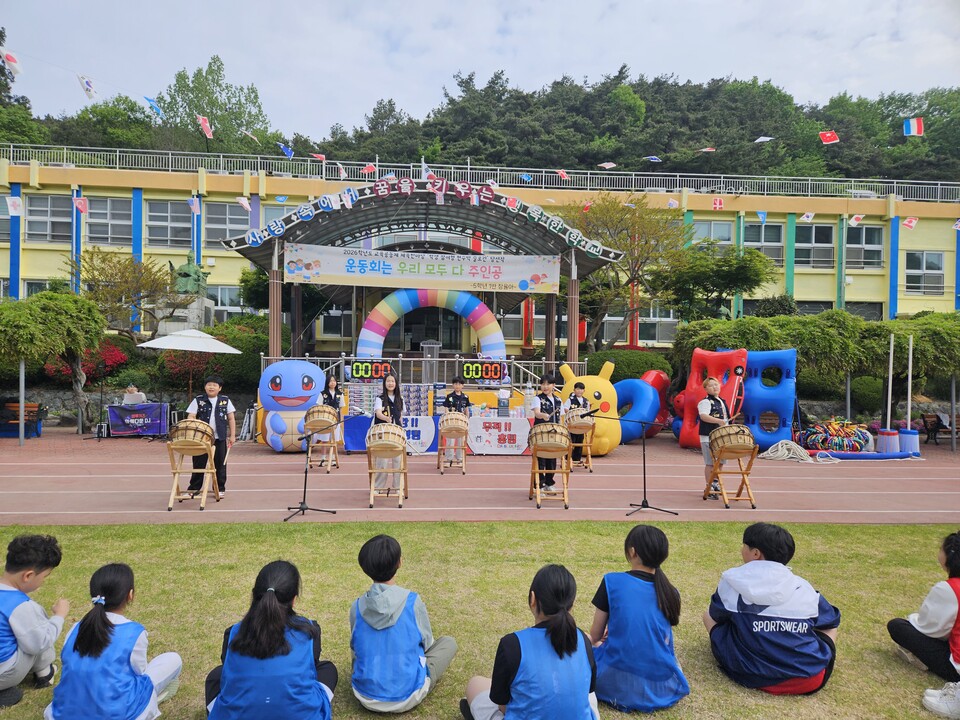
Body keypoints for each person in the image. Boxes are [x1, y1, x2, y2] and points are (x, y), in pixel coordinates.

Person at [703, 522, 841, 695]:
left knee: (708, 615)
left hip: (749, 673)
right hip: (810, 679)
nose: (741, 549)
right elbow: (831, 620)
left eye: (744, 545)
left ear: (755, 553)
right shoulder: (804, 587)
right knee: (829, 626)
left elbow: (717, 615)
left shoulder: (732, 581)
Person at [462, 564, 599, 720]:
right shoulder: (583, 640)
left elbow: (503, 706)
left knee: (475, 684)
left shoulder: (512, 644)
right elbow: (588, 690)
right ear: (571, 604)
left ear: (533, 599)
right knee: (590, 700)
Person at [46, 563, 181, 720]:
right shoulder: (134, 632)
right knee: (173, 659)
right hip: (119, 713)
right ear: (130, 595)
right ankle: (151, 701)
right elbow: (139, 674)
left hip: (63, 714)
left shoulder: (76, 628)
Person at [206, 560, 337, 720]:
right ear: (294, 599)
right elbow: (310, 669)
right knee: (327, 669)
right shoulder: (309, 631)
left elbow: (229, 668)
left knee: (216, 675)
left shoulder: (233, 633)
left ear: (254, 594)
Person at [350, 534, 457, 712]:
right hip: (408, 695)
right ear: (400, 562)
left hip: (364, 695)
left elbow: (356, 645)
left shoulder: (357, 606)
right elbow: (427, 643)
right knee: (448, 643)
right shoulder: (412, 601)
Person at [589, 525, 689, 712]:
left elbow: (595, 636)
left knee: (592, 647)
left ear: (632, 551)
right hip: (660, 684)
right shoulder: (670, 592)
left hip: (612, 682)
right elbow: (663, 638)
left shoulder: (612, 581)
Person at [887, 532, 960, 719]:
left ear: (949, 556)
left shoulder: (949, 589)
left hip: (955, 665)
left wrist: (913, 618)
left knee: (898, 626)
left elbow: (929, 629)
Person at [0, 535, 68, 709]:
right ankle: (45, 673)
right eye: (44, 577)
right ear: (28, 576)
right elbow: (39, 643)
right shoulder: (22, 606)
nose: (43, 582)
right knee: (41, 628)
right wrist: (59, 616)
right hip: (5, 672)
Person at [187, 375, 236, 496]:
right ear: (205, 387)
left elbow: (231, 419)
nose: (211, 387)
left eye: (214, 385)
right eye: (209, 384)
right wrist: (192, 421)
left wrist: (233, 435)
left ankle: (219, 488)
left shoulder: (225, 400)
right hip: (202, 439)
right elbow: (191, 416)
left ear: (220, 388)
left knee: (220, 464)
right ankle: (194, 489)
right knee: (199, 464)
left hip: (220, 438)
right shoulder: (198, 400)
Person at [697, 377, 730, 499]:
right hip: (709, 437)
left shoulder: (721, 401)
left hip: (722, 436)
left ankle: (716, 483)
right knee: (710, 463)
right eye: (711, 385)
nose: (715, 387)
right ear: (705, 389)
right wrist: (718, 421)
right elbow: (703, 416)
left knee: (721, 462)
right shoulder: (705, 402)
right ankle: (709, 485)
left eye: (716, 384)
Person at [372, 372, 403, 494]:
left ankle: (397, 487)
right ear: (384, 383)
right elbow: (378, 413)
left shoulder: (400, 399)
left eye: (393, 381)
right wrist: (386, 419)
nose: (390, 383)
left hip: (396, 433)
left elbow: (401, 417)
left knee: (398, 461)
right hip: (383, 432)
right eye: (388, 381)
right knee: (382, 461)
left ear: (396, 384)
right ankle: (378, 487)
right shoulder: (380, 399)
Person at [533, 374, 562, 493]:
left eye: (548, 384)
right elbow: (537, 413)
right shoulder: (537, 398)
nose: (545, 387)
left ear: (553, 385)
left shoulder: (558, 400)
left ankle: (549, 483)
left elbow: (561, 418)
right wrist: (543, 415)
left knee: (552, 459)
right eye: (543, 384)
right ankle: (539, 485)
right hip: (541, 433)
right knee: (541, 459)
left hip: (554, 434)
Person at [442, 376, 472, 467]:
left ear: (462, 385)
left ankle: (459, 460)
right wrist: (448, 418)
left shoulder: (465, 397)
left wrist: (467, 421)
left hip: (461, 423)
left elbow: (467, 410)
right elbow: (446, 409)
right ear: (453, 385)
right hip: (451, 422)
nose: (457, 386)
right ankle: (448, 459)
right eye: (455, 384)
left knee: (460, 441)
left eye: (459, 384)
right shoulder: (449, 396)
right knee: (450, 441)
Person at [316, 375, 345, 465]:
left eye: (334, 381)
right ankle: (323, 458)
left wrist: (341, 420)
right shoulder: (322, 394)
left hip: (336, 420)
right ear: (327, 383)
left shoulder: (340, 394)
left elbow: (341, 408)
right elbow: (319, 406)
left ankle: (333, 458)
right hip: (325, 419)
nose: (332, 383)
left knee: (334, 440)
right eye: (330, 381)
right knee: (324, 440)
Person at [562, 382, 590, 464]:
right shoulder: (570, 400)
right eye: (577, 389)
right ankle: (568, 459)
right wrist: (573, 412)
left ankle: (577, 459)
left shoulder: (586, 401)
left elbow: (587, 411)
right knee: (571, 442)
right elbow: (565, 408)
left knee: (579, 442)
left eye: (581, 389)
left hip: (581, 426)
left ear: (584, 390)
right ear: (574, 390)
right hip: (572, 425)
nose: (579, 391)